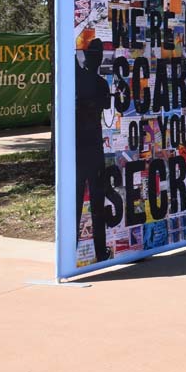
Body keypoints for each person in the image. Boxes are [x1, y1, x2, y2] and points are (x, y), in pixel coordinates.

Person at [74, 38, 112, 263]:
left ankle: (78, 248)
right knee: (95, 203)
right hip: (93, 148)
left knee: (81, 200)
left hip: (83, 148)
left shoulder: (81, 79)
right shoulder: (99, 83)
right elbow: (105, 104)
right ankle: (99, 251)